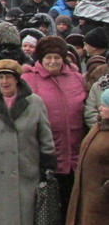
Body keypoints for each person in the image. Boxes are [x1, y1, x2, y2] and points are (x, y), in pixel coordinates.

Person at [0, 59, 56, 225]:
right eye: (0, 77)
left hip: (25, 169)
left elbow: (45, 134)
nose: (4, 81)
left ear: (17, 79)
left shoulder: (34, 102)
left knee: (25, 214)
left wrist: (48, 161)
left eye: (8, 77)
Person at [21, 36, 87, 216]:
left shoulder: (77, 78)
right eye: (48, 57)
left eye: (57, 57)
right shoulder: (28, 78)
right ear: (41, 58)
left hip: (74, 154)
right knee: (45, 208)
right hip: (44, 154)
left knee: (71, 205)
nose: (52, 61)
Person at [65, 88, 109, 225]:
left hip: (102, 206)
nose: (100, 108)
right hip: (87, 201)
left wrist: (105, 190)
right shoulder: (100, 126)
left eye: (105, 105)